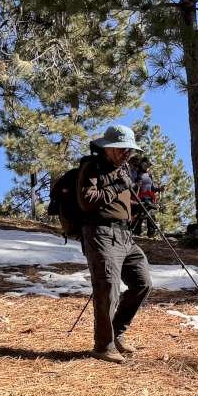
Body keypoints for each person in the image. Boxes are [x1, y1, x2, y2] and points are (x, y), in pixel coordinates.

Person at [76, 124, 153, 364]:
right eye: (122, 149)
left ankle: (117, 333)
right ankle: (103, 346)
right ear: (108, 148)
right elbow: (87, 200)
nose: (127, 153)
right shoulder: (92, 167)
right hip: (100, 233)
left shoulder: (124, 169)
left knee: (142, 283)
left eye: (129, 149)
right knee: (108, 289)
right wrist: (118, 186)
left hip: (124, 235)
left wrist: (138, 206)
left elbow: (119, 202)